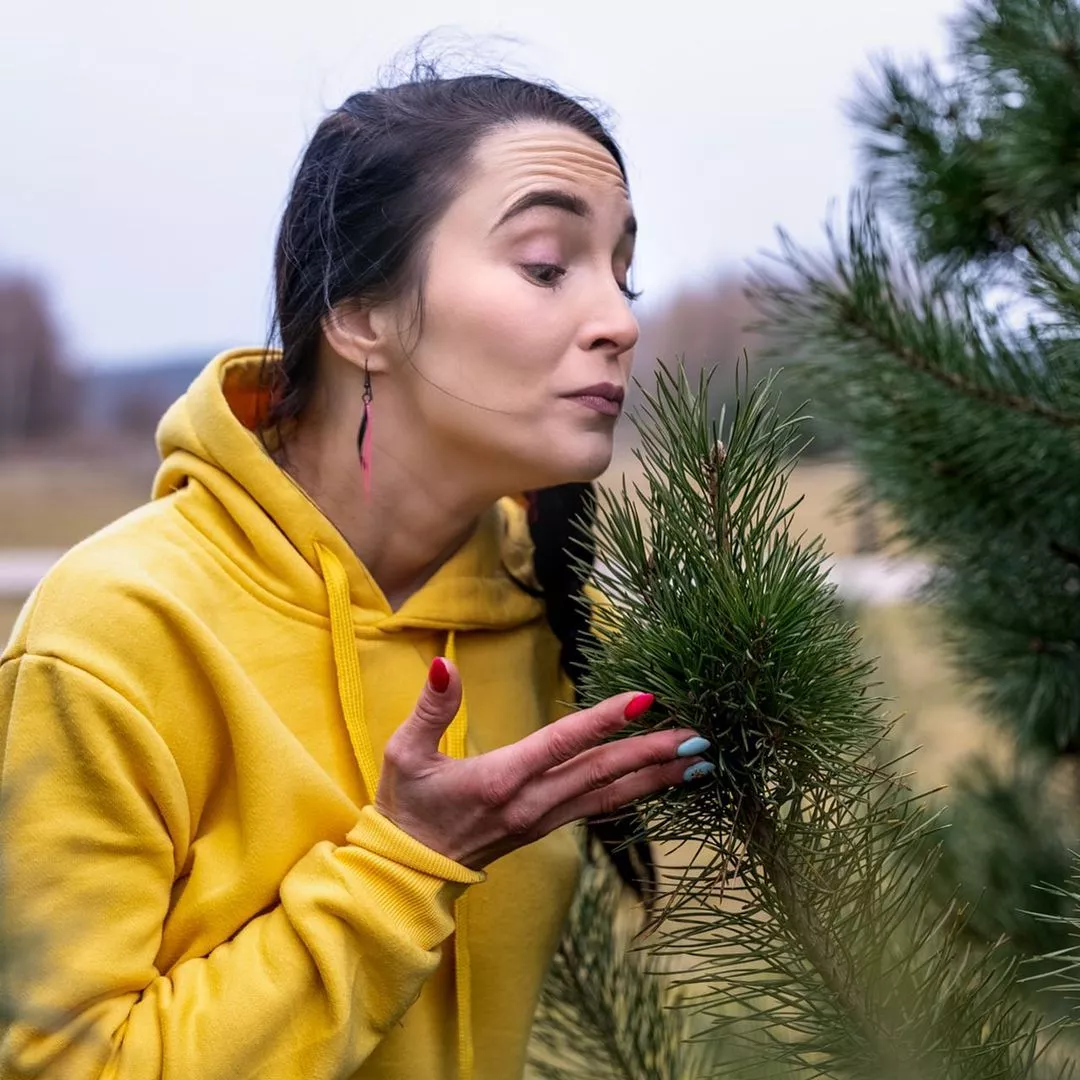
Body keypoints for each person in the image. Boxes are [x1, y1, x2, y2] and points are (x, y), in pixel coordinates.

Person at [0, 66, 715, 1080]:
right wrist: (404, 865)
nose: (621, 321)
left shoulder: (549, 613)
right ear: (360, 316)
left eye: (623, 273)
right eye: (548, 265)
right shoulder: (119, 631)